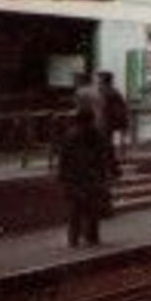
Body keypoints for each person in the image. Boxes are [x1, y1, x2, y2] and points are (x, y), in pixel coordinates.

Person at [58, 105, 112, 247]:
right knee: (91, 209)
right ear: (91, 119)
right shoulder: (96, 134)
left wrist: (63, 178)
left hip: (75, 178)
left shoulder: (70, 135)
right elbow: (103, 157)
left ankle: (74, 239)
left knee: (75, 210)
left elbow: (63, 159)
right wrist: (104, 175)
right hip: (90, 178)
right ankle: (91, 237)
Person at [95, 70, 130, 174]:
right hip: (106, 123)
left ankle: (111, 168)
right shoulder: (113, 91)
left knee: (105, 145)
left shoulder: (106, 92)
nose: (97, 81)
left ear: (104, 80)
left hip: (105, 123)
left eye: (99, 79)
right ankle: (112, 167)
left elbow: (104, 108)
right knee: (106, 145)